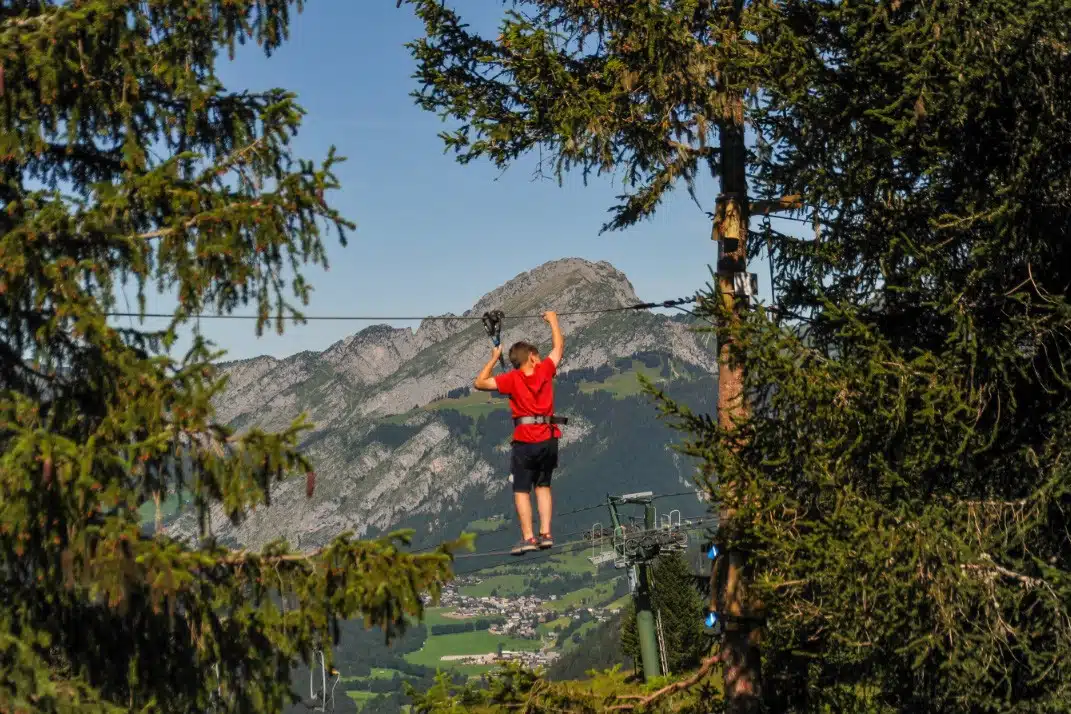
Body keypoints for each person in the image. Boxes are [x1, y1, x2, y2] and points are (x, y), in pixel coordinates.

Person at [473, 310, 564, 555]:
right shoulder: (545, 370)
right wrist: (553, 321)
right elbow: (558, 348)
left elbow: (479, 383)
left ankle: (528, 538)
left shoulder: (511, 379)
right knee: (543, 486)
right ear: (532, 357)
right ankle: (546, 534)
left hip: (525, 441)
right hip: (549, 437)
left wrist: (494, 358)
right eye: (537, 354)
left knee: (522, 489)